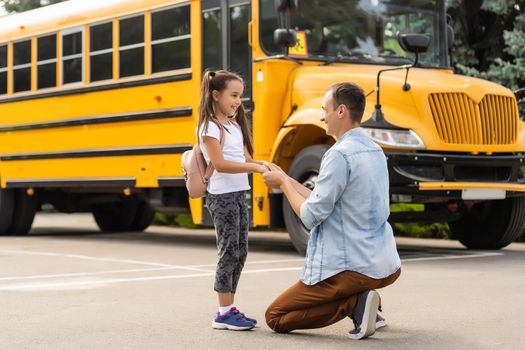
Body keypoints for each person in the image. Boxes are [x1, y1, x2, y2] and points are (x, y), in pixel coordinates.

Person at [262, 82, 401, 340]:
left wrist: (282, 185)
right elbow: (324, 199)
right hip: (385, 264)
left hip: (351, 269)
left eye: (325, 109)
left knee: (275, 317)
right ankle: (366, 305)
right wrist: (286, 178)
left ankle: (356, 304)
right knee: (296, 306)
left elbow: (310, 216)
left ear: (341, 111)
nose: (321, 116)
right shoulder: (376, 150)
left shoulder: (338, 155)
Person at [198, 70, 269, 331]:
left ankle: (229, 308)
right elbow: (220, 164)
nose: (238, 101)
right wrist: (255, 169)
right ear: (216, 95)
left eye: (240, 96)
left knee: (240, 252)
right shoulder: (209, 127)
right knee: (228, 251)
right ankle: (223, 312)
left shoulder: (234, 125)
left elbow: (245, 160)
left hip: (238, 195)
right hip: (222, 196)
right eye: (234, 95)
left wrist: (262, 165)